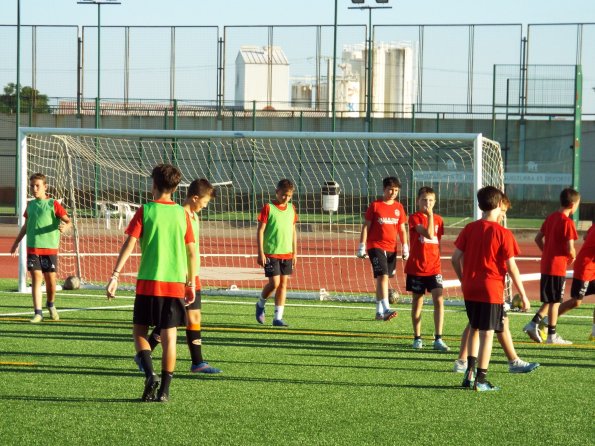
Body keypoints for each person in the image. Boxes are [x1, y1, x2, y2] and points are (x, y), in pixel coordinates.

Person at [106, 164, 196, 402]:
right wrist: (191, 284)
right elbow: (192, 253)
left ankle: (149, 373)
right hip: (175, 283)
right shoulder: (182, 214)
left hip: (148, 283)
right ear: (176, 189)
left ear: (154, 185)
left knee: (139, 332)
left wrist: (115, 275)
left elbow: (130, 243)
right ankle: (164, 391)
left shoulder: (145, 211)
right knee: (170, 338)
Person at [134, 179, 222, 374]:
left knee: (193, 316)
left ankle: (197, 362)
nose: (205, 206)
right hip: (179, 276)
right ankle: (145, 352)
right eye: (205, 202)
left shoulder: (194, 217)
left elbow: (193, 251)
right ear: (195, 197)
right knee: (170, 322)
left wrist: (194, 274)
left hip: (192, 276)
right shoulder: (179, 214)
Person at [451, 186, 529, 391]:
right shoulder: (503, 233)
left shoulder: (469, 228)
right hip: (490, 288)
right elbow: (512, 266)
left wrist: (463, 279)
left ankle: (469, 374)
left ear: (480, 205)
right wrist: (523, 293)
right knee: (487, 333)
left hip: (470, 288)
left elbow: (455, 258)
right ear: (498, 204)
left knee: (474, 329)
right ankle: (482, 380)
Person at [10, 173, 71, 323]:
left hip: (49, 249)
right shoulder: (30, 205)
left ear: (45, 187)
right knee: (36, 278)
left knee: (51, 281)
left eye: (37, 186)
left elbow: (68, 220)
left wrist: (66, 226)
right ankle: (38, 312)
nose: (34, 189)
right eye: (32, 186)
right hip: (33, 248)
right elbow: (26, 226)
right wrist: (16, 242)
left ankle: (50, 304)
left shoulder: (53, 204)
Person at [523, 188, 580, 345]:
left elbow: (537, 238)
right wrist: (573, 256)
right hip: (557, 265)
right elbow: (570, 248)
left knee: (550, 299)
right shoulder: (567, 222)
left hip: (547, 264)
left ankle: (533, 323)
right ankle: (551, 336)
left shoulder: (551, 217)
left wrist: (546, 252)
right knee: (555, 301)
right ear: (573, 204)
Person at [357, 176, 408, 321]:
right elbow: (366, 226)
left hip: (392, 248)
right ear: (384, 189)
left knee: (382, 278)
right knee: (383, 276)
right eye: (390, 189)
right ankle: (386, 308)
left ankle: (379, 312)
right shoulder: (375, 206)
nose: (393, 193)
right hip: (375, 246)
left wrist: (405, 247)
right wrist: (362, 245)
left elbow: (402, 229)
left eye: (396, 190)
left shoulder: (399, 208)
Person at [404, 186, 449, 351]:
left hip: (434, 268)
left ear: (435, 201)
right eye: (424, 200)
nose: (427, 203)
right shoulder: (414, 218)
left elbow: (437, 241)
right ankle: (417, 337)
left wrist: (438, 260)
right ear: (418, 201)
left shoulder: (439, 219)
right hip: (417, 267)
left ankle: (438, 338)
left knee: (439, 299)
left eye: (431, 200)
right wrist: (429, 216)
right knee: (418, 301)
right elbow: (429, 234)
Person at [255, 179, 298, 327]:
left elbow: (293, 231)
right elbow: (260, 230)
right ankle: (260, 303)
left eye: (289, 195)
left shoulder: (292, 209)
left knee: (283, 284)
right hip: (271, 253)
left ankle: (278, 317)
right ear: (277, 192)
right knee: (274, 283)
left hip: (287, 253)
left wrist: (295, 252)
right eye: (283, 195)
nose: (285, 198)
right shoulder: (268, 208)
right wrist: (260, 252)